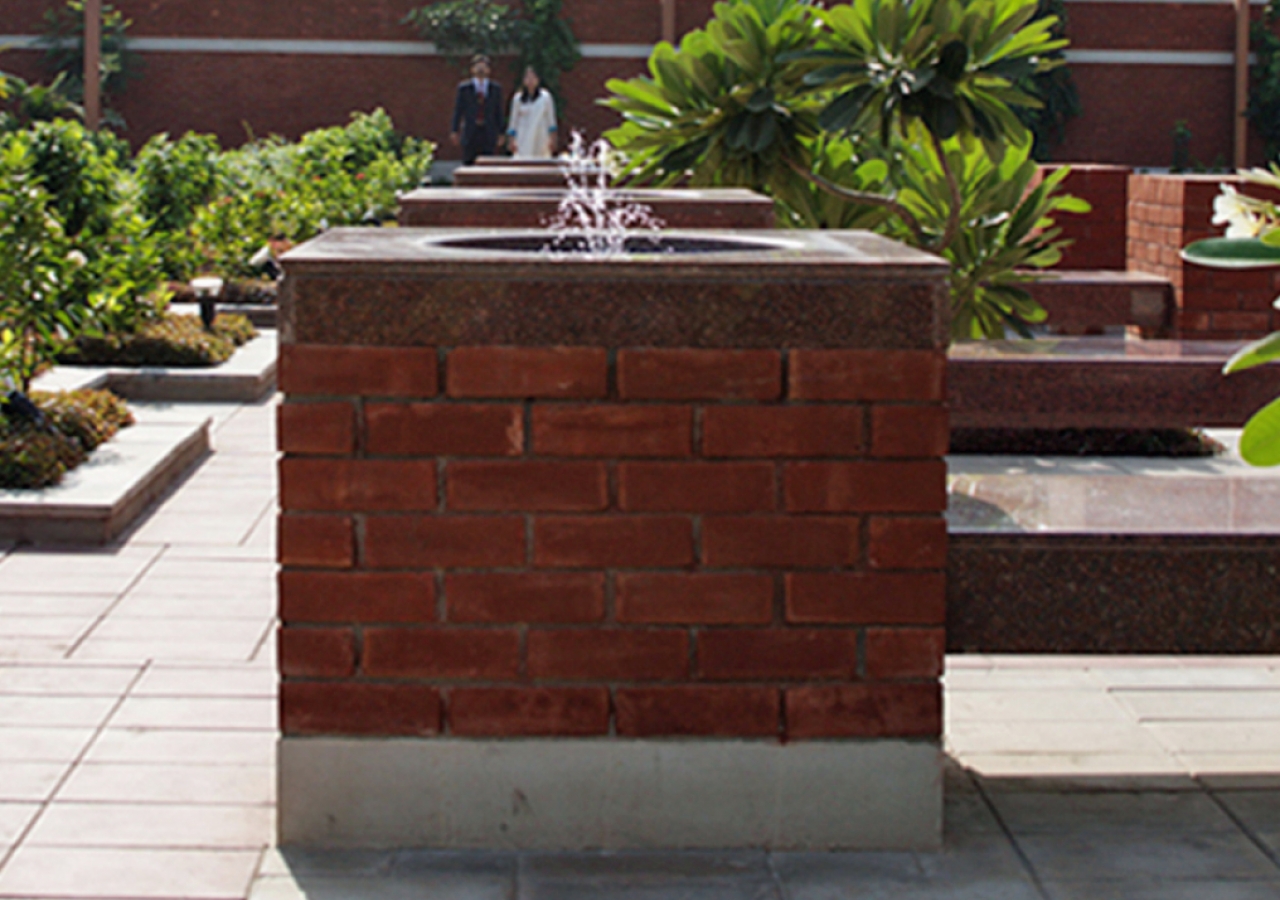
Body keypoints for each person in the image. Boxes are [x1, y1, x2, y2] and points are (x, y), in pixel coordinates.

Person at [450, 54, 506, 164]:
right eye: (478, 66)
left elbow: (498, 111)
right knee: (469, 161)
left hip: (488, 131)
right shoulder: (464, 88)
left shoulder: (495, 89)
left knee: (488, 162)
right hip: (471, 131)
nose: (481, 70)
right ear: (472, 69)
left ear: (489, 70)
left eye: (484, 67)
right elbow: (458, 110)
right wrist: (454, 130)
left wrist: (501, 132)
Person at [507, 66, 558, 159]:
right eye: (527, 77)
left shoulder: (545, 97)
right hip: (523, 136)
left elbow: (551, 120)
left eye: (533, 77)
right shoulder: (518, 98)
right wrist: (511, 140)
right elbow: (513, 121)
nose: (530, 80)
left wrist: (553, 139)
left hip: (541, 135)